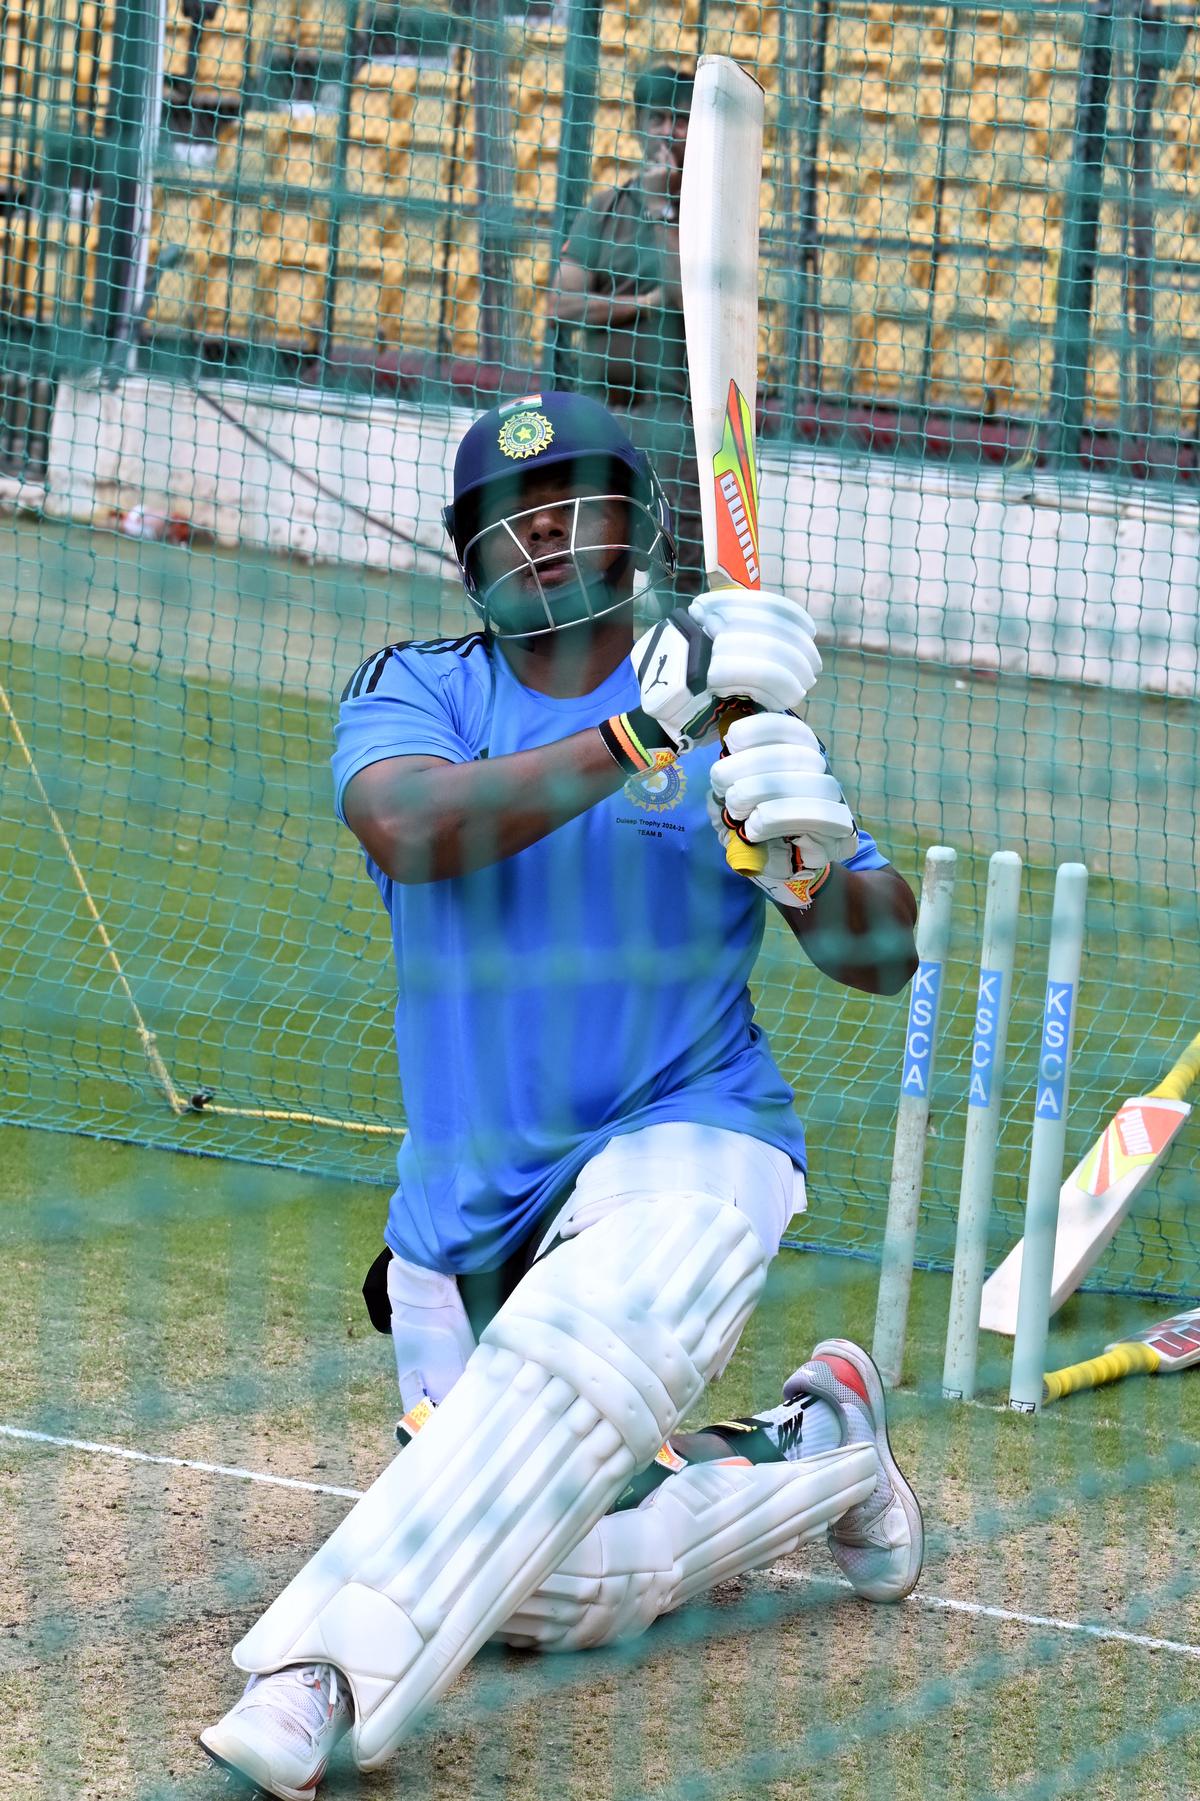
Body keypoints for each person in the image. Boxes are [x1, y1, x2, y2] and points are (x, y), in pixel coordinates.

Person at [200, 390, 922, 1797]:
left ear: (638, 524)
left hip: (689, 1141)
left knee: (621, 1296)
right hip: (467, 1218)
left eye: (569, 502)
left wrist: (801, 855)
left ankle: (318, 1671)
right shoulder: (417, 686)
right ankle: (826, 1446)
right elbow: (411, 829)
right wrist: (636, 741)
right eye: (505, 518)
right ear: (469, 558)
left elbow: (881, 956)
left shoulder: (734, 709)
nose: (538, 533)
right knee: (552, 1596)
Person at [550, 63, 706, 594]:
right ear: (640, 125)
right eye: (657, 118)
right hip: (603, 412)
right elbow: (563, 303)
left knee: (678, 553)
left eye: (680, 120)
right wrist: (642, 303)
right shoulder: (605, 208)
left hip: (672, 418)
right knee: (591, 548)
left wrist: (664, 207)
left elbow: (686, 294)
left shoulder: (708, 215)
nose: (667, 130)